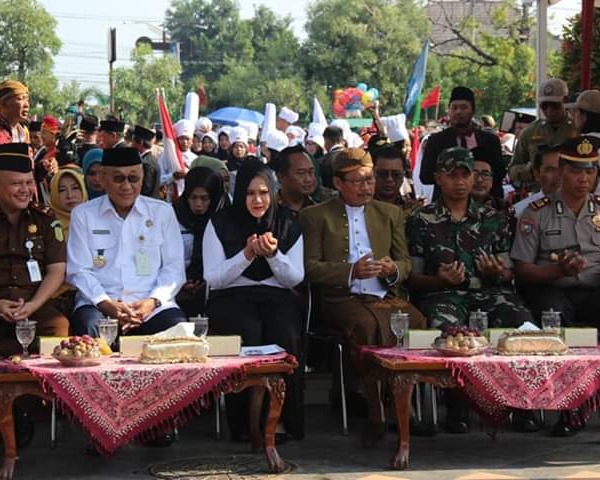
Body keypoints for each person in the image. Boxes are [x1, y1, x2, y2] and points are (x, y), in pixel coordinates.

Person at [299, 148, 425, 448]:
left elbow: (405, 263)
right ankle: (376, 413)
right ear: (338, 183)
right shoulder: (314, 216)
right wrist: (351, 271)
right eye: (357, 181)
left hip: (384, 295)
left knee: (418, 322)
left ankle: (407, 408)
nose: (366, 187)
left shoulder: (390, 213)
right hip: (341, 299)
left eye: (369, 180)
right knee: (367, 328)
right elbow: (309, 268)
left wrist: (393, 269)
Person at [406, 146, 534, 434]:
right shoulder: (421, 220)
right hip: (443, 296)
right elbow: (413, 278)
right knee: (448, 329)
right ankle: (458, 405)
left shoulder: (494, 218)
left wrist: (496, 272)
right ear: (439, 178)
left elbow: (507, 270)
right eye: (453, 175)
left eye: (466, 175)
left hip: (490, 294)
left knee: (522, 323)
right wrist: (439, 280)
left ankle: (521, 403)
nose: (461, 181)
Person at [203, 157, 305, 441]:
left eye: (263, 192)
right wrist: (246, 255)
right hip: (233, 295)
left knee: (283, 331)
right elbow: (213, 278)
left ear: (272, 193)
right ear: (239, 194)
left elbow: (295, 277)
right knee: (247, 331)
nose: (257, 200)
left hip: (275, 294)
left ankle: (280, 418)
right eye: (250, 193)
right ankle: (246, 422)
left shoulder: (287, 222)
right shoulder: (220, 223)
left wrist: (273, 256)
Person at [510, 135, 600, 436]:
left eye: (590, 171)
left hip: (593, 289)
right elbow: (521, 270)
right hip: (551, 287)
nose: (584, 178)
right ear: (561, 173)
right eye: (576, 171)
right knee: (555, 317)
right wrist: (557, 270)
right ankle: (570, 408)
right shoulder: (536, 211)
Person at [67, 147, 187, 337]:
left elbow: (174, 269)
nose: (126, 186)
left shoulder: (162, 212)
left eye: (133, 178)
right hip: (100, 304)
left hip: (151, 307)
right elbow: (79, 270)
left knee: (177, 329)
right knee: (88, 330)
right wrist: (106, 303)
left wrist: (152, 301)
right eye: (118, 178)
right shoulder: (83, 215)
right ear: (103, 179)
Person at [0, 143, 70, 355]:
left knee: (58, 329)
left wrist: (33, 305)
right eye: (16, 184)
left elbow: (56, 271)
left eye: (29, 183)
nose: (25, 190)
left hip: (34, 304)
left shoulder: (45, 219)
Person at [420, 86, 505, 200]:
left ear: (473, 110)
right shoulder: (436, 141)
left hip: (484, 204)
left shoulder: (490, 140)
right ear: (449, 110)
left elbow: (500, 173)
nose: (458, 112)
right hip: (448, 205)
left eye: (464, 107)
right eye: (454, 108)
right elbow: (425, 176)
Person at [174, 166, 228, 317]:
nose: (198, 204)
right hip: (176, 287)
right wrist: (181, 281)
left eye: (204, 199)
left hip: (214, 291)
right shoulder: (173, 216)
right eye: (193, 197)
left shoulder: (223, 219)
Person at [508, 78, 577, 193]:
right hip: (538, 195)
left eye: (555, 106)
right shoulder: (530, 132)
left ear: (564, 101)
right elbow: (513, 169)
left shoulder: (576, 129)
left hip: (570, 194)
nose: (549, 111)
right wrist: (530, 170)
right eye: (544, 106)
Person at [48, 167, 88, 304]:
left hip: (93, 295)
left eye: (75, 188)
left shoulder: (98, 222)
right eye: (62, 190)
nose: (70, 195)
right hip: (58, 296)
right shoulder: (48, 226)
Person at [513, 145, 561, 217]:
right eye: (550, 170)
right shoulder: (522, 211)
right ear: (537, 174)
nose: (558, 176)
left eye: (562, 169)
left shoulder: (580, 207)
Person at [159, 119, 196, 200]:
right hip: (168, 200)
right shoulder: (166, 156)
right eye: (182, 138)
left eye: (187, 139)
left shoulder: (195, 159)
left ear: (192, 141)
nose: (185, 142)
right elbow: (158, 180)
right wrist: (172, 176)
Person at [274, 144, 317, 213]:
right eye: (301, 173)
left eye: (311, 172)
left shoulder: (322, 206)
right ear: (281, 177)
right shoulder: (268, 208)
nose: (308, 179)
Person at [131, 125, 160, 199]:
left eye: (133, 141)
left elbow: (146, 189)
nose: (131, 144)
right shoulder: (149, 159)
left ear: (140, 143)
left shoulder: (146, 163)